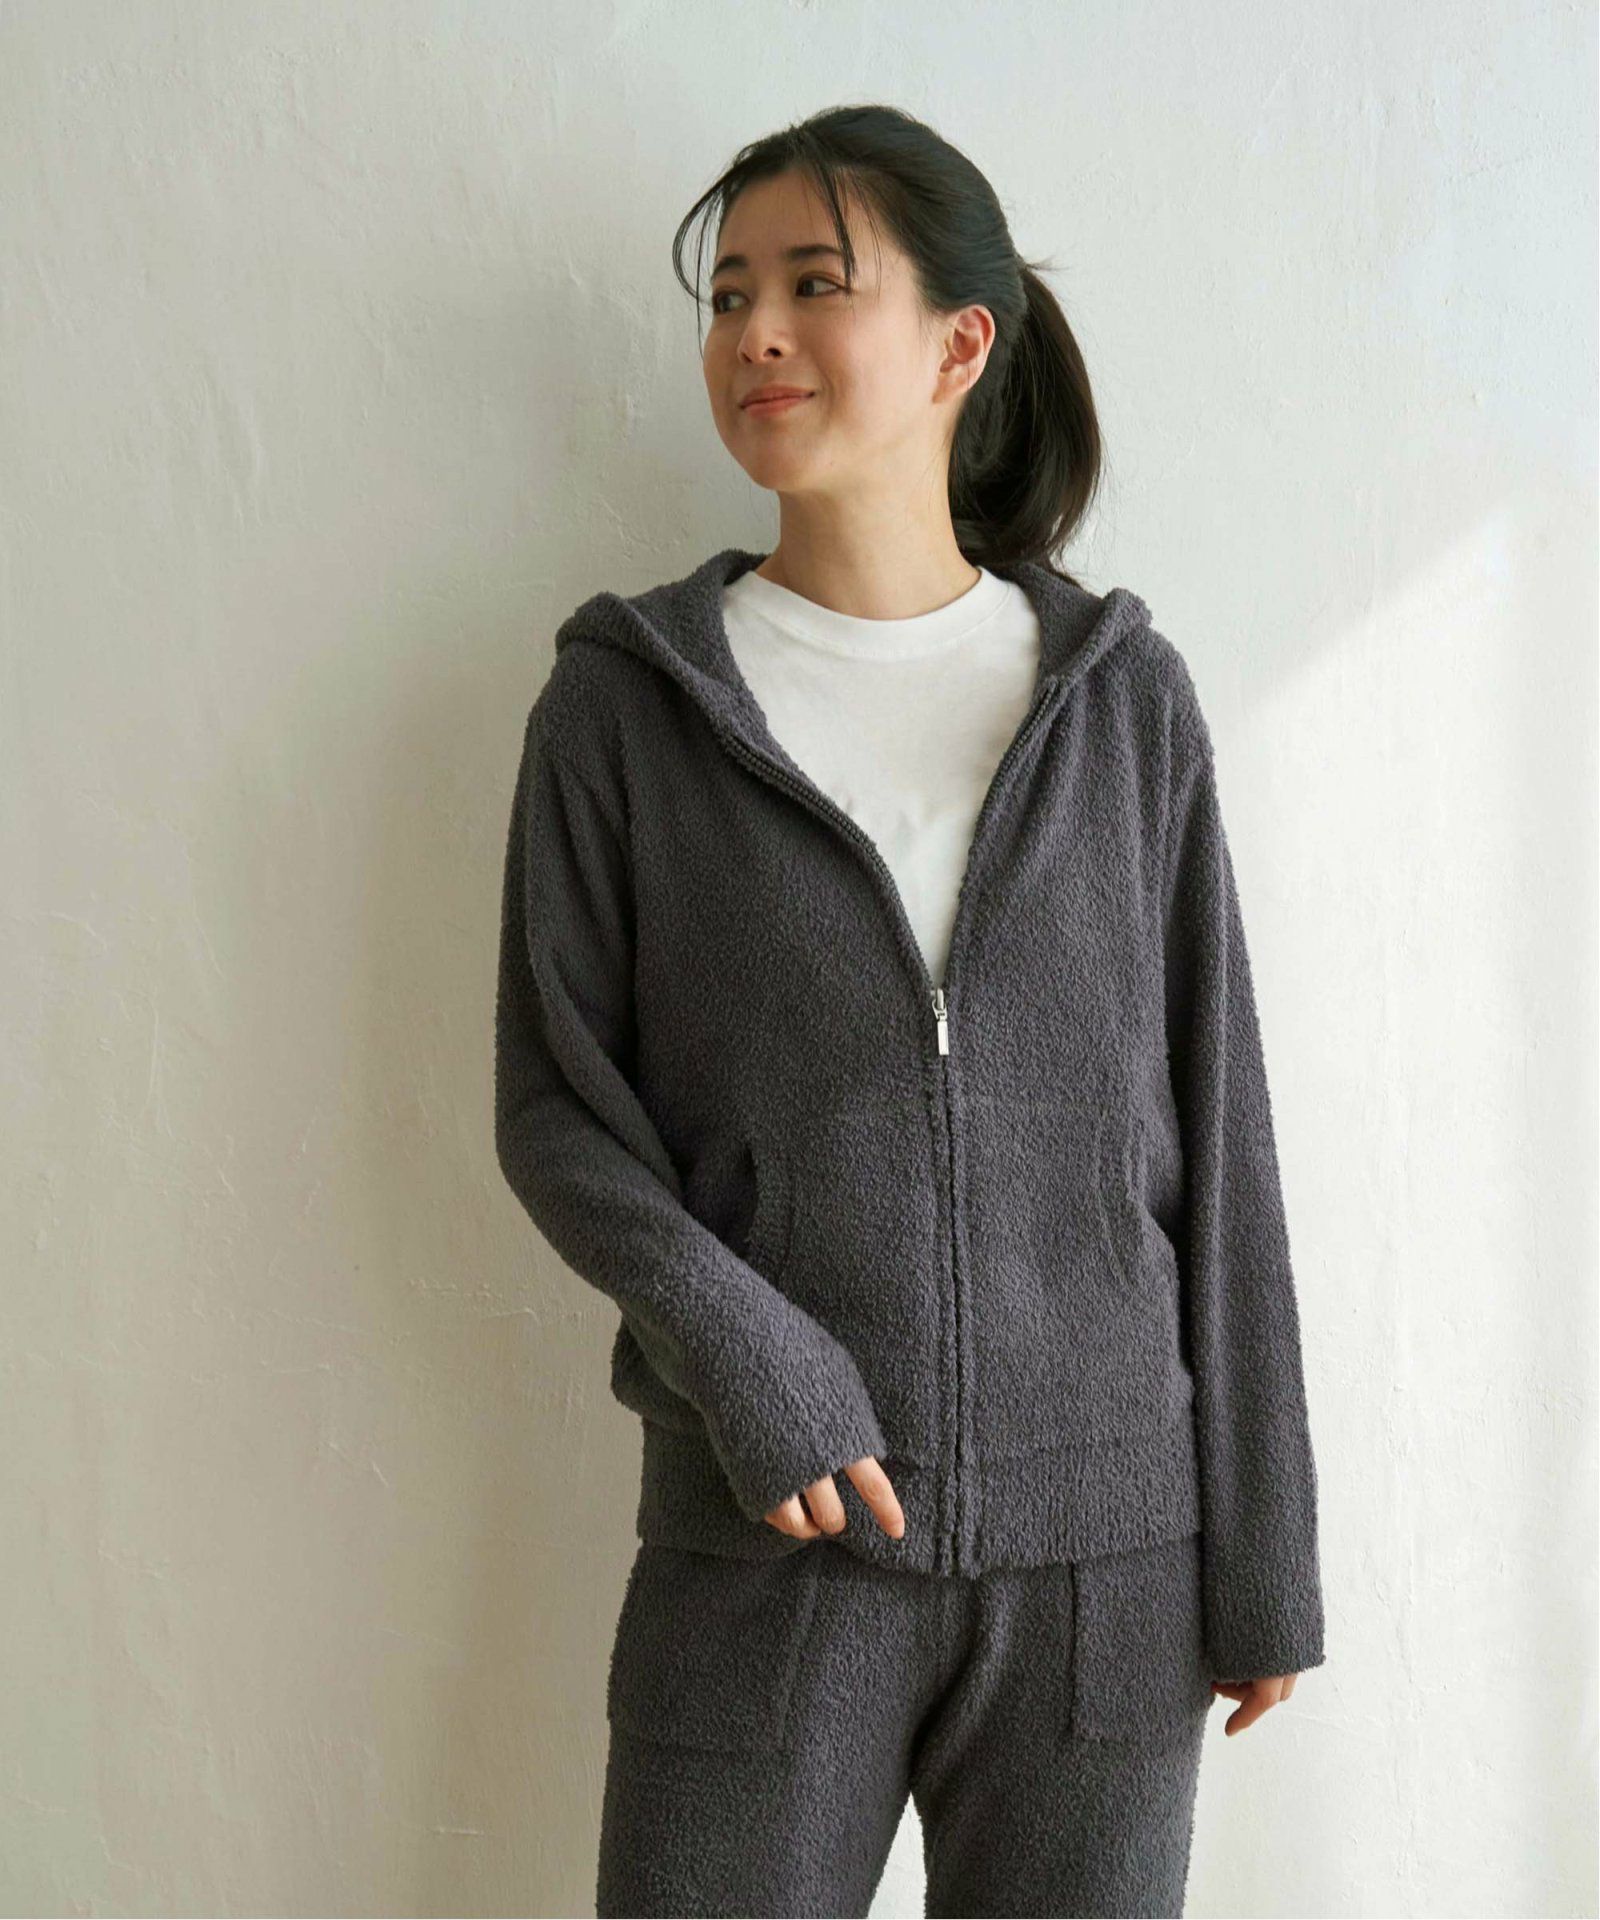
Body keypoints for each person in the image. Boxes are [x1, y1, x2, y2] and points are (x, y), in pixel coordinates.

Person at [493, 103, 1327, 1919]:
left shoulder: (1122, 701)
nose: (756, 333)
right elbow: (559, 1107)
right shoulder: (626, 708)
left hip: (1109, 1567)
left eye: (815, 284)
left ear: (961, 346)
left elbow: (1221, 1126)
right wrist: (754, 1360)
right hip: (770, 1538)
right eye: (730, 295)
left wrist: (1264, 1551)